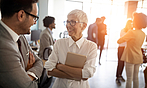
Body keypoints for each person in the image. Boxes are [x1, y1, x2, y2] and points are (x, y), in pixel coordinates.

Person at [44, 9, 97, 88]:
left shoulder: (91, 46)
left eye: (72, 22)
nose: (68, 25)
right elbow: (49, 69)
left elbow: (87, 74)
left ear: (84, 26)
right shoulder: (59, 43)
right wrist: (78, 75)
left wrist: (60, 67)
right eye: (67, 22)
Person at [0, 0, 44, 88]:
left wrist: (29, 74)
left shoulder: (21, 36)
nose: (35, 22)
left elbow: (39, 62)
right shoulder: (3, 46)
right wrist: (29, 75)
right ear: (21, 15)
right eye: (34, 17)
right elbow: (29, 86)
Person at [117, 12, 147, 88]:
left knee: (129, 79)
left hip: (130, 57)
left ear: (136, 22)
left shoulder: (131, 32)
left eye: (133, 20)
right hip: (138, 57)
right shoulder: (143, 34)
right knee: (135, 78)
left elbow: (119, 41)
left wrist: (128, 33)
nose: (132, 21)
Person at [116, 19, 133, 85]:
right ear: (127, 24)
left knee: (123, 63)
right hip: (121, 48)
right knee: (120, 63)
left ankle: (120, 75)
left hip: (127, 49)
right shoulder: (123, 30)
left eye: (131, 24)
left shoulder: (131, 31)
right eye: (130, 24)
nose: (131, 25)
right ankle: (117, 77)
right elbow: (124, 39)